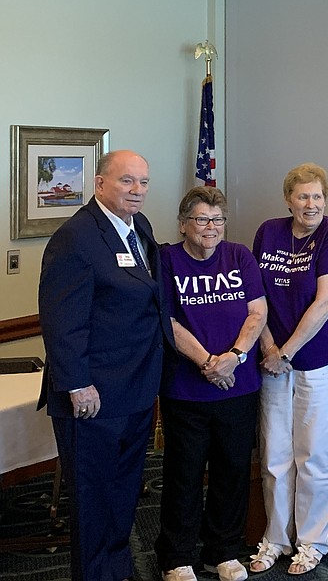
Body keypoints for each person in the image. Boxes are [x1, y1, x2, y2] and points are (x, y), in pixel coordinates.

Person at [38, 149, 173, 581]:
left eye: (144, 182)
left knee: (123, 490)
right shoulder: (75, 237)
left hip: (134, 387)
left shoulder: (139, 227)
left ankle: (117, 567)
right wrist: (77, 384)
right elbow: (61, 320)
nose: (137, 191)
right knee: (93, 499)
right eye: (127, 181)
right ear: (100, 184)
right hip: (92, 396)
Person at [156, 187, 267, 581]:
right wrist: (207, 362)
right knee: (184, 472)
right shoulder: (166, 259)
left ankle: (222, 551)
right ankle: (176, 556)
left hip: (239, 383)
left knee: (232, 469)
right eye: (202, 219)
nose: (211, 228)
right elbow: (167, 320)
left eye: (217, 219)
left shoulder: (239, 256)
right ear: (183, 223)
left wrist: (234, 356)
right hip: (186, 388)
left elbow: (257, 312)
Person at [250, 164, 328, 576]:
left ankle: (311, 542)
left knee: (315, 456)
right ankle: (275, 538)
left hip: (323, 362)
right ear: (288, 199)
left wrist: (286, 351)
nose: (310, 204)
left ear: (325, 199)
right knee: (274, 454)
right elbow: (254, 295)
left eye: (317, 196)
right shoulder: (267, 232)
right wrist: (268, 347)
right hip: (273, 359)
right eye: (302, 196)